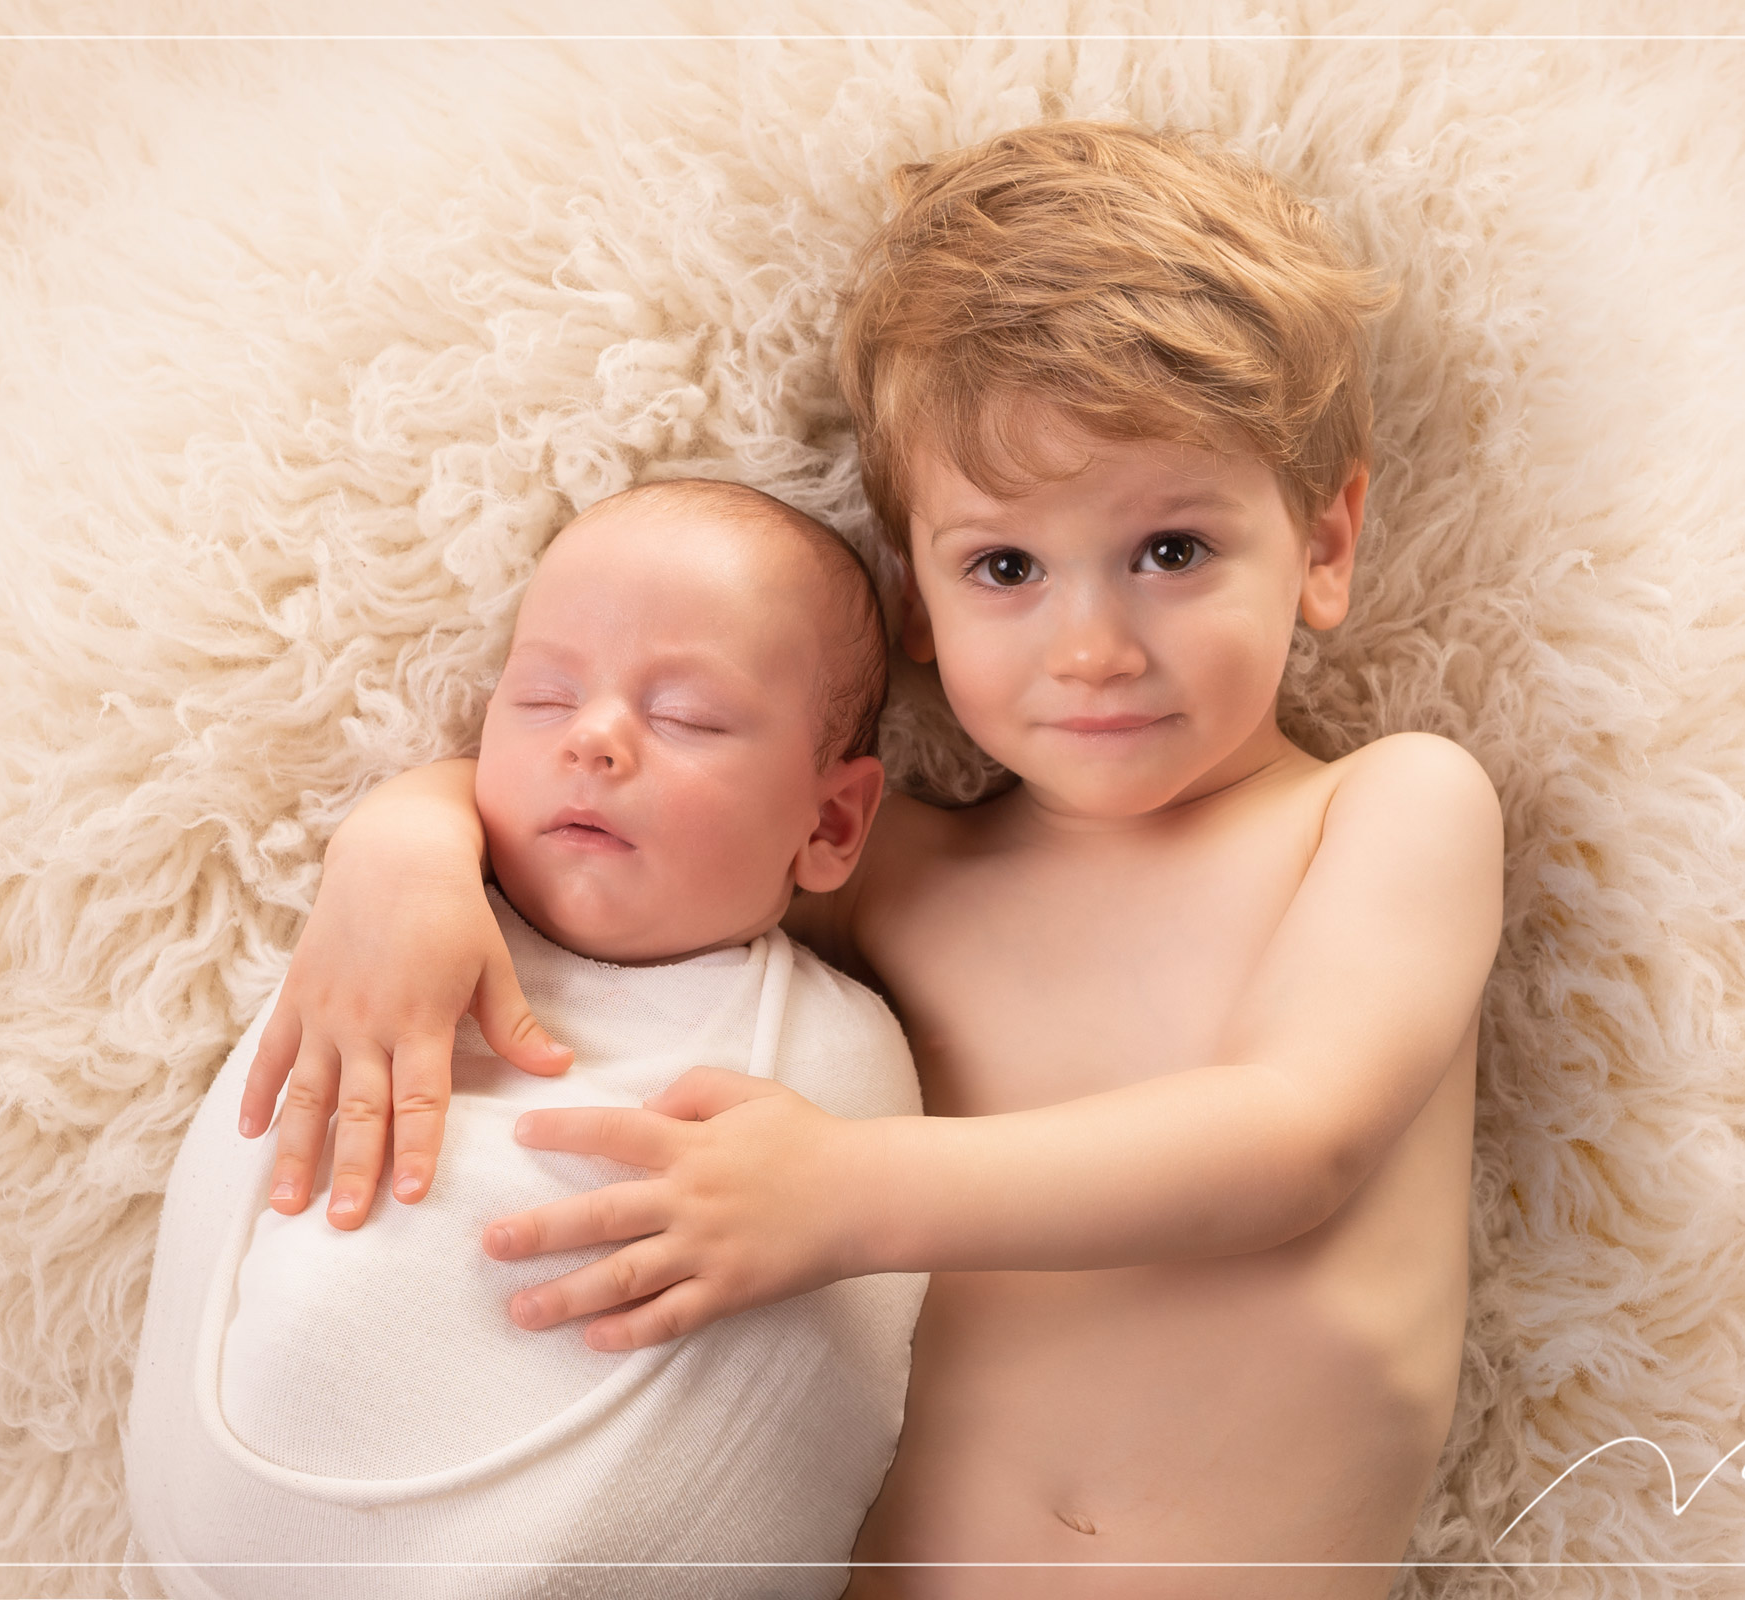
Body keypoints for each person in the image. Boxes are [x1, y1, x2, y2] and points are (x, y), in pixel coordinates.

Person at [243, 122, 1504, 1596]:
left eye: (1171, 549)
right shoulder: (898, 873)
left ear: (1326, 541)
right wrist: (400, 843)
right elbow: (630, 809)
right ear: (916, 601)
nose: (1092, 646)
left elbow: (1294, 1139)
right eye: (1006, 569)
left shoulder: (1388, 812)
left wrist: (841, 1197)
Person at [122, 480, 927, 1600]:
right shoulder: (393, 937)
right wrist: (401, 831)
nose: (595, 737)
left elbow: (811, 1368)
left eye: (687, 715)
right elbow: (262, 1151)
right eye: (544, 696)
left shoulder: (835, 1052)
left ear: (831, 821)